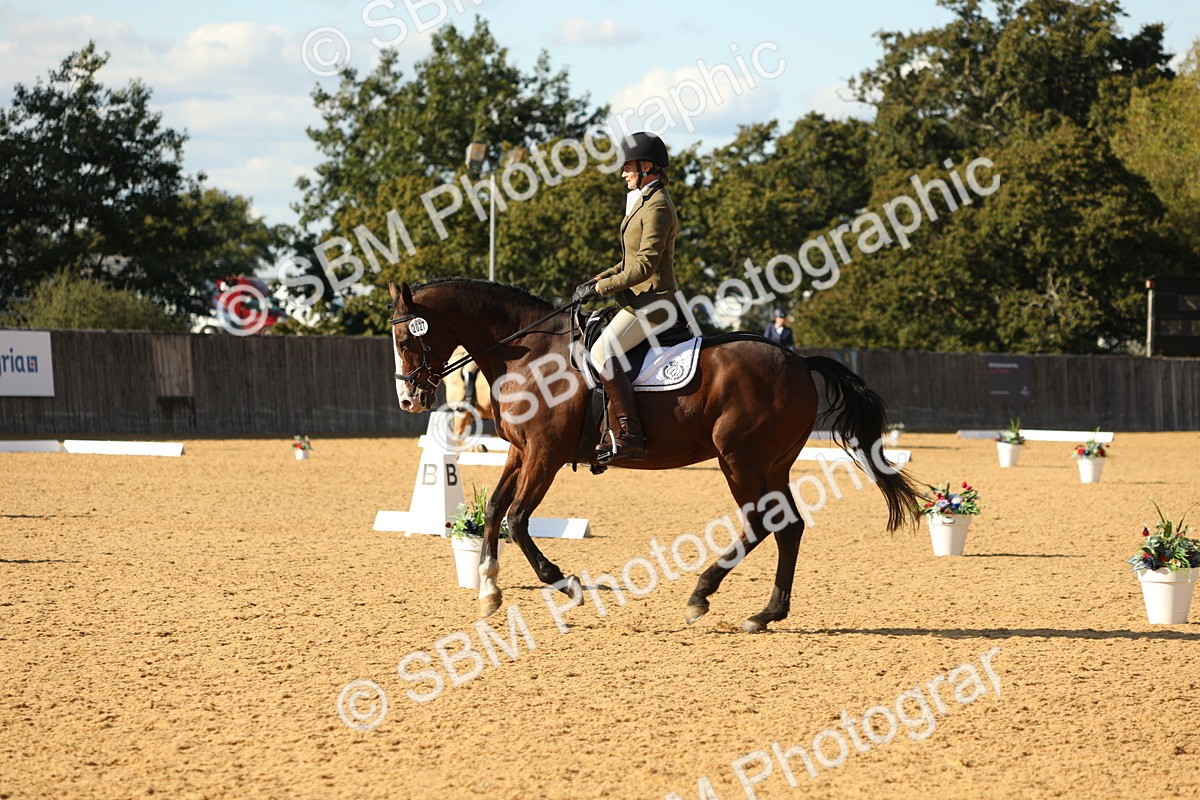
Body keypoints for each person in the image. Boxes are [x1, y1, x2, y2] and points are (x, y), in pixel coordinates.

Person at [572, 131, 679, 463]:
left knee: (603, 352)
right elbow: (628, 261)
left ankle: (631, 435)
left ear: (646, 167)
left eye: (628, 167)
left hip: (655, 302)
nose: (623, 173)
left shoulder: (658, 206)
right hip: (638, 301)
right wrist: (597, 279)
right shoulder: (645, 202)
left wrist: (604, 288)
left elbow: (645, 266)